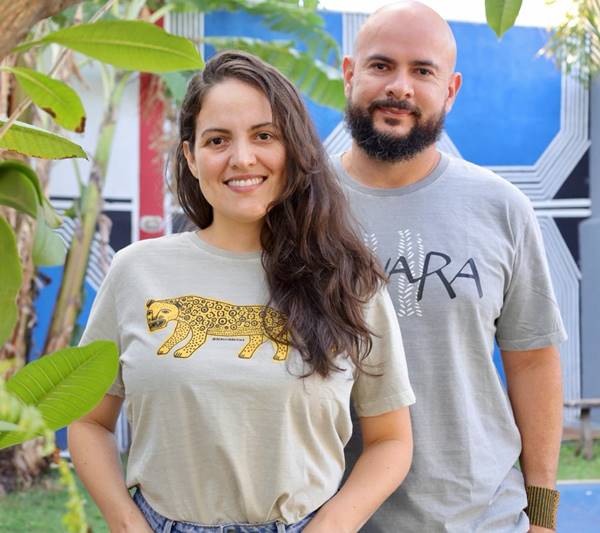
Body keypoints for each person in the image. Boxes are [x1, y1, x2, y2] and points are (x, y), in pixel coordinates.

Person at [68, 51, 415, 533]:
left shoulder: (347, 280)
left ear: (293, 148)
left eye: (264, 135)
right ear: (190, 156)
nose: (242, 158)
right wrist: (127, 524)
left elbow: (391, 439)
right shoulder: (136, 271)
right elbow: (88, 422)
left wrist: (330, 526)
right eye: (217, 140)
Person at [335, 2, 566, 532]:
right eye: (380, 66)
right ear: (350, 74)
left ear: (451, 90)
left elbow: (531, 360)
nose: (400, 86)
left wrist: (543, 515)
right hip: (333, 518)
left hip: (481, 518)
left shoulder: (501, 207)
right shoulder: (299, 208)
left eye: (422, 71)